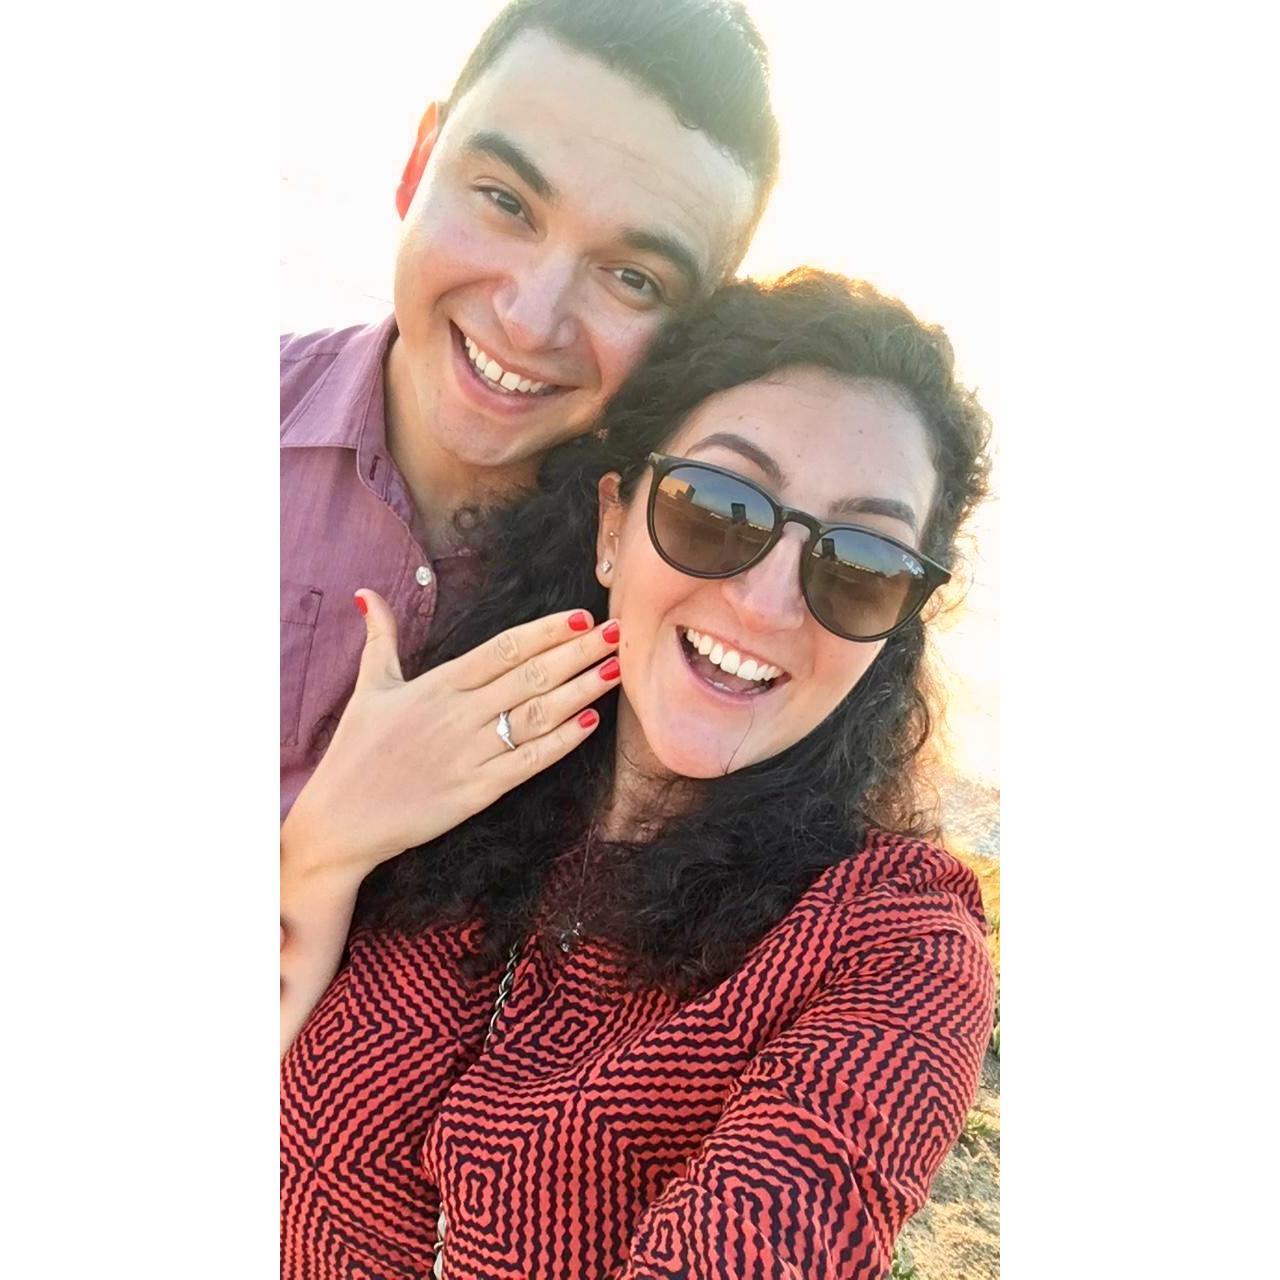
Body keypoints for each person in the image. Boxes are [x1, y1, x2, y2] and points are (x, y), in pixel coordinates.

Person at [281, 269, 996, 1279]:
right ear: (613, 524)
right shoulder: (442, 768)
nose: (764, 601)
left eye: (863, 563)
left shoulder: (887, 945)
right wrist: (320, 850)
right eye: (717, 505)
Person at [281, 0, 778, 818]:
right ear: (418, 165)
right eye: (506, 201)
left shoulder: (675, 606)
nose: (529, 318)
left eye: (633, 278)